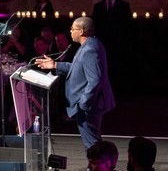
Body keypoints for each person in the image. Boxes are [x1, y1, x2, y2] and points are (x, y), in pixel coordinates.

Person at [35, 17, 115, 149]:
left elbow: (95, 80)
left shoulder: (90, 49)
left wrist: (83, 103)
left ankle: (97, 163)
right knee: (92, 143)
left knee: (92, 144)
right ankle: (97, 162)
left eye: (73, 29)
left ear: (81, 31)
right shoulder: (89, 44)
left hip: (89, 106)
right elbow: (78, 67)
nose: (70, 31)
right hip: (89, 104)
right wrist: (55, 65)